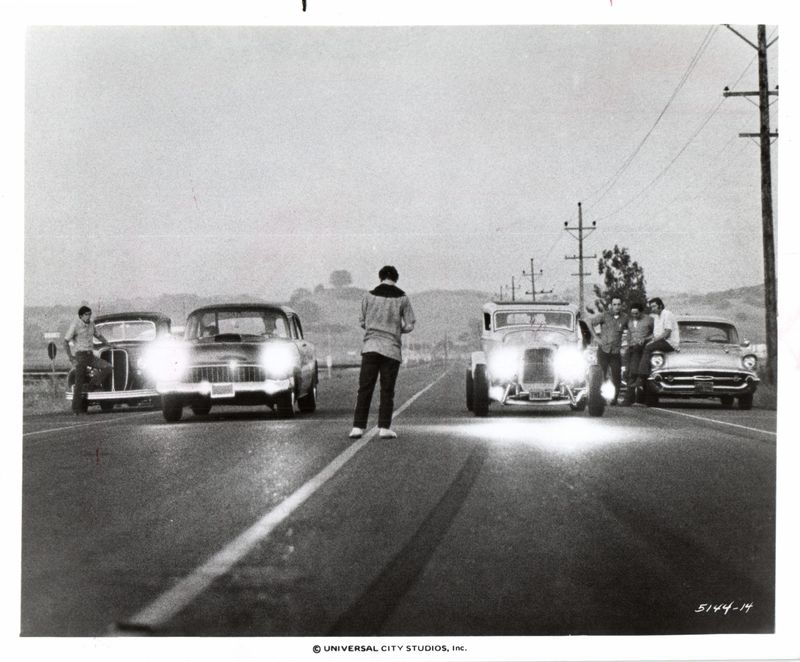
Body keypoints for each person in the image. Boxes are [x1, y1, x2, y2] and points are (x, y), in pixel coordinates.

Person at [349, 266, 416, 440]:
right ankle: (384, 428)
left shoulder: (368, 296)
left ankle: (357, 427)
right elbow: (409, 324)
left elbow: (362, 322)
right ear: (396, 278)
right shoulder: (403, 298)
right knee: (387, 390)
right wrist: (395, 329)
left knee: (364, 388)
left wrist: (374, 327)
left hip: (370, 347)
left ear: (380, 278)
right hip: (391, 350)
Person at [63, 305, 112, 414]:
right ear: (80, 316)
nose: (88, 316)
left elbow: (99, 335)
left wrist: (109, 344)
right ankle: (76, 409)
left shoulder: (91, 324)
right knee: (78, 382)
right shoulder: (75, 326)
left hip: (90, 355)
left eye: (89, 314)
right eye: (86, 315)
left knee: (108, 367)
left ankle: (91, 386)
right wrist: (71, 357)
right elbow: (65, 341)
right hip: (80, 355)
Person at [588, 296, 628, 405]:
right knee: (601, 375)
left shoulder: (625, 317)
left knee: (616, 375)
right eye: (614, 304)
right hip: (603, 350)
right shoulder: (604, 315)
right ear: (611, 305)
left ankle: (614, 399)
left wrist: (627, 340)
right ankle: (600, 398)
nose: (617, 307)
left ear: (622, 305)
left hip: (615, 351)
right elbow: (589, 322)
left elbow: (632, 330)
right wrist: (596, 337)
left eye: (619, 304)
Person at [636, 297, 680, 387]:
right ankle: (640, 371)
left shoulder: (667, 314)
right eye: (651, 307)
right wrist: (645, 339)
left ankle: (642, 376)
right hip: (662, 340)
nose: (653, 309)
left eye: (654, 306)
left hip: (670, 342)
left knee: (648, 347)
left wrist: (653, 341)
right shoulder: (656, 317)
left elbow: (667, 332)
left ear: (660, 306)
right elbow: (655, 334)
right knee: (640, 346)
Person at [621, 301, 654, 405]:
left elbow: (655, 334)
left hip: (642, 349)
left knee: (635, 373)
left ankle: (631, 398)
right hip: (631, 349)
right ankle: (631, 397)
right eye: (632, 313)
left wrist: (645, 339)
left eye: (636, 313)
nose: (634, 315)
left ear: (641, 312)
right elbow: (629, 335)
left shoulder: (650, 320)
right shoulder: (630, 322)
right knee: (628, 372)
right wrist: (627, 344)